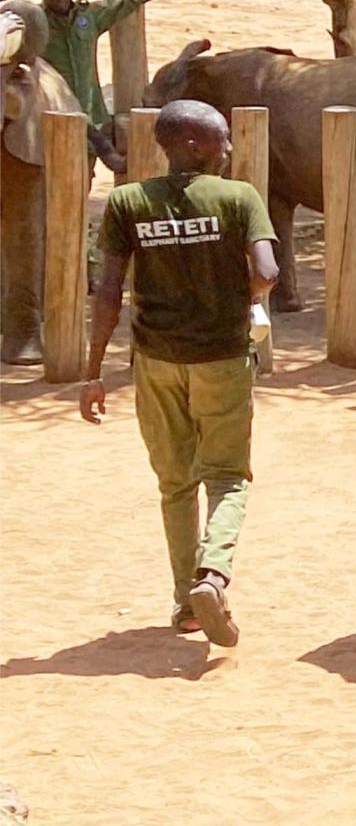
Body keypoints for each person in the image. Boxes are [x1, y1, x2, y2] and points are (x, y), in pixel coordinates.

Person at [80, 99, 279, 648]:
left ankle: (186, 603)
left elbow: (108, 293)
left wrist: (93, 372)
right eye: (220, 138)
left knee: (175, 483)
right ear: (192, 144)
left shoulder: (127, 201)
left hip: (156, 362)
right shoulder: (239, 197)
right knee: (228, 476)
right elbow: (267, 271)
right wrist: (245, 299)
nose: (229, 148)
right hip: (222, 359)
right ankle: (212, 574)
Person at [1, 0, 209, 169]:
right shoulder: (35, 25)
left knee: (88, 171)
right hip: (52, 117)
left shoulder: (89, 17)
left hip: (91, 117)